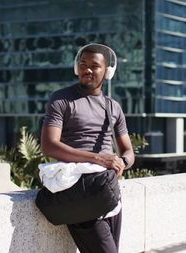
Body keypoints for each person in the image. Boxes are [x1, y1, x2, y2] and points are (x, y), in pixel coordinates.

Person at [41, 43, 135, 253]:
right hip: (80, 192)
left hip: (109, 191)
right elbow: (49, 145)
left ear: (108, 71)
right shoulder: (61, 99)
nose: (87, 70)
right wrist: (99, 159)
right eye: (83, 64)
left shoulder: (113, 107)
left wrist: (123, 162)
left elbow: (128, 151)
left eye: (95, 66)